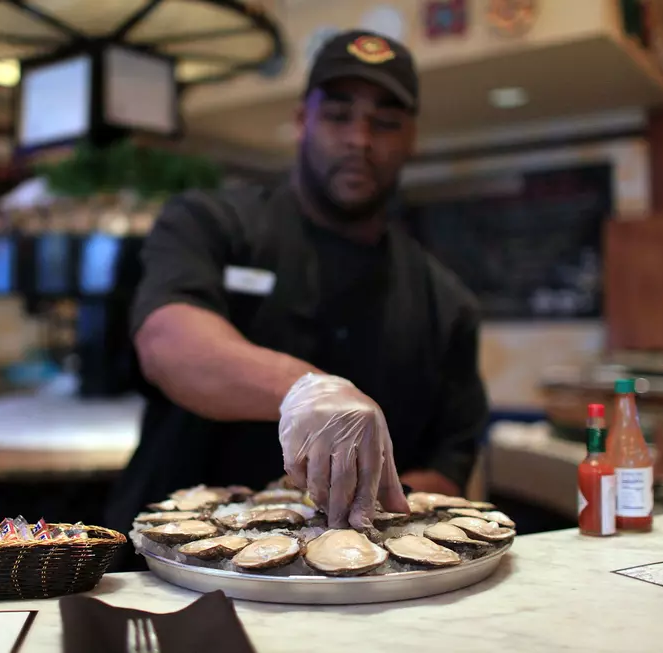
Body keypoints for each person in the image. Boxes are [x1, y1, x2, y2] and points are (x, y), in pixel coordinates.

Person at [104, 30, 488, 568]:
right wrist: (305, 391)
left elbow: (447, 472)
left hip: (355, 595)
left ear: (411, 140)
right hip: (166, 573)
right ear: (301, 121)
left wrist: (307, 511)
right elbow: (168, 342)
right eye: (338, 115)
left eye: (385, 123)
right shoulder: (212, 223)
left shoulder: (446, 304)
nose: (360, 138)